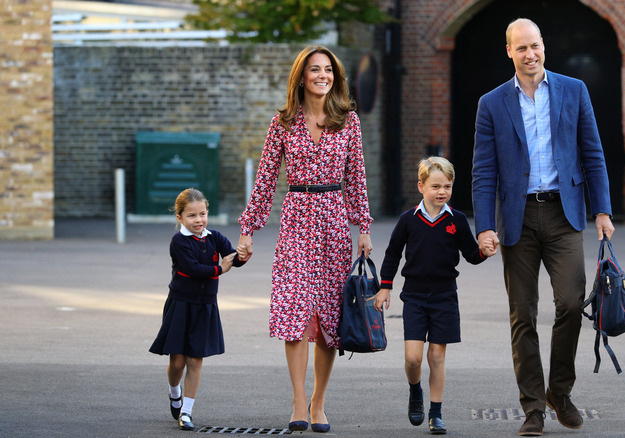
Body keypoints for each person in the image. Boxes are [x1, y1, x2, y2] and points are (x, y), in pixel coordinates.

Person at [471, 18, 616, 436]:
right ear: (509, 52)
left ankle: (560, 392)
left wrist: (602, 210)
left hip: (563, 213)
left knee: (571, 303)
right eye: (521, 48)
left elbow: (593, 154)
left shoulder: (574, 90)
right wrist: (484, 227)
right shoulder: (491, 103)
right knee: (523, 315)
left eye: (535, 46)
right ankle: (533, 406)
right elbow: (484, 173)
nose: (530, 54)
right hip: (516, 218)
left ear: (543, 47)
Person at [235, 46, 373, 433]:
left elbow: (357, 177)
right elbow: (264, 181)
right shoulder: (282, 123)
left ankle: (319, 402)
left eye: (328, 69)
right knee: (294, 312)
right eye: (314, 69)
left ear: (336, 76)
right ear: (301, 76)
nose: (322, 75)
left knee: (330, 316)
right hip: (296, 218)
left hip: (333, 221)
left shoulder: (349, 121)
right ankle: (298, 399)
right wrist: (248, 229)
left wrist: (363, 226)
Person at [374, 156, 489, 435]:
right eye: (436, 186)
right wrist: (385, 286)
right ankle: (416, 391)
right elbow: (392, 254)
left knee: (436, 356)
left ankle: (436, 414)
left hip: (445, 296)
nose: (442, 192)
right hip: (414, 296)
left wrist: (485, 250)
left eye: (447, 186)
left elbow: (471, 255)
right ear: (421, 186)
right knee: (413, 358)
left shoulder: (457, 220)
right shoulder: (408, 220)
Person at [149, 188, 244, 431]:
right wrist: (220, 269)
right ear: (179, 217)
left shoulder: (215, 237)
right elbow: (192, 269)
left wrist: (242, 255)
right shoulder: (179, 241)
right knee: (178, 362)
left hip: (206, 307)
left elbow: (232, 255)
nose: (199, 220)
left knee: (196, 360)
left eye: (202, 214)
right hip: (181, 305)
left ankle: (187, 412)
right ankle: (174, 392)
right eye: (192, 216)